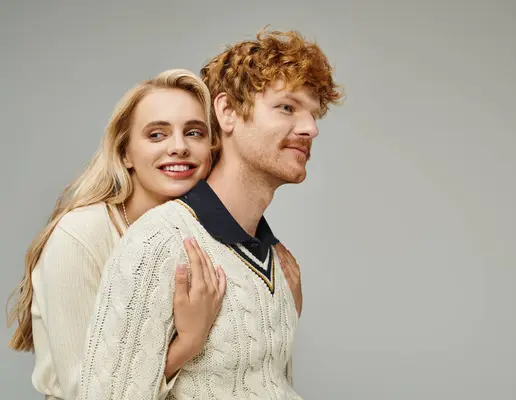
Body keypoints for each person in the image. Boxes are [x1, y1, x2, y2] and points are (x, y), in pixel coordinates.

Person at [77, 27, 343, 399]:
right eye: (287, 107)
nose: (310, 129)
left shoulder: (276, 262)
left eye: (314, 115)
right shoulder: (160, 242)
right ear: (227, 112)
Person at [5, 68, 302, 400]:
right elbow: (85, 390)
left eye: (194, 133)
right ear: (125, 153)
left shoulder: (200, 236)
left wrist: (278, 307)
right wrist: (188, 343)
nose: (179, 147)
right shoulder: (81, 235)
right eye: (157, 135)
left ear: (212, 148)